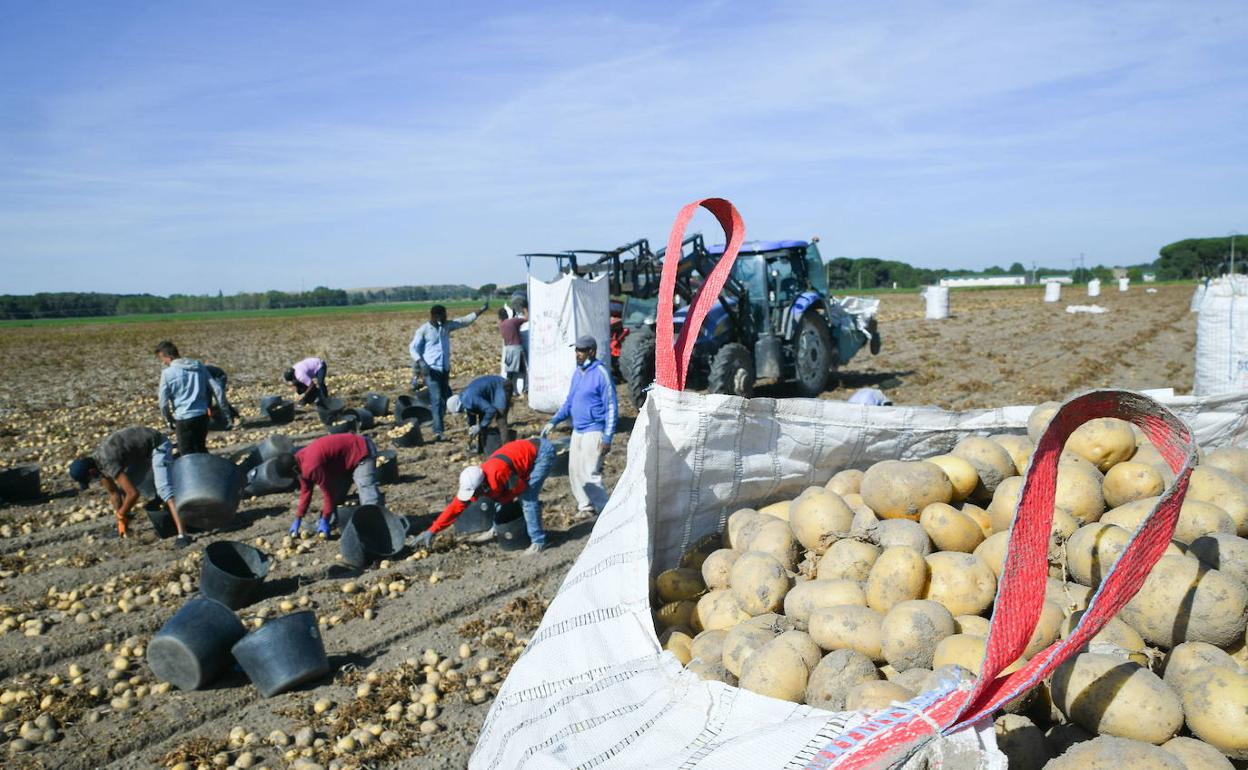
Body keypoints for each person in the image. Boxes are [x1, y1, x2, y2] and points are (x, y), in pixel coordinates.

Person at [412, 437, 556, 554]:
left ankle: (538, 541)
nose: (472, 497)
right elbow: (455, 508)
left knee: (528, 499)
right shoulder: (477, 480)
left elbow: (520, 487)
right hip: (522, 454)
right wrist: (432, 530)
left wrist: (501, 498)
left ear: (482, 485)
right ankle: (496, 529)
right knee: (498, 498)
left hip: (541, 453)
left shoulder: (499, 473)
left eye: (474, 493)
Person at [68, 426, 190, 546]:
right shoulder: (97, 465)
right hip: (141, 454)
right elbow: (113, 493)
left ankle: (183, 535)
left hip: (157, 444)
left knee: (165, 490)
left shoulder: (107, 462)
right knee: (124, 489)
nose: (93, 481)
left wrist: (122, 513)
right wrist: (121, 522)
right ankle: (125, 530)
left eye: (89, 480)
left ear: (91, 472)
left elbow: (133, 494)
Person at [542, 334, 617, 517]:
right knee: (575, 471)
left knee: (590, 472)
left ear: (591, 351)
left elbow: (611, 406)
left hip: (594, 430)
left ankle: (605, 512)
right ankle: (585, 507)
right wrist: (554, 421)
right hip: (578, 430)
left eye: (581, 351)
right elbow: (570, 402)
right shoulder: (578, 373)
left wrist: (607, 437)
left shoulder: (601, 373)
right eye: (576, 350)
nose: (577, 354)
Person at [274, 433, 381, 539]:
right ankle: (329, 522)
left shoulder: (312, 466)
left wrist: (325, 518)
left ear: (294, 470)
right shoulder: (299, 461)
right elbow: (306, 491)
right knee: (337, 496)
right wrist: (298, 517)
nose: (294, 478)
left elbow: (329, 493)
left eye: (292, 476)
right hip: (345, 459)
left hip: (362, 450)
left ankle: (375, 527)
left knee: (367, 491)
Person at [409, 301, 488, 441]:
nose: (445, 318)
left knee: (445, 398)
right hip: (431, 370)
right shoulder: (423, 330)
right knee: (437, 400)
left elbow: (464, 321)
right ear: (435, 316)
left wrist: (480, 310)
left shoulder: (446, 326)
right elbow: (413, 348)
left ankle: (440, 422)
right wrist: (421, 363)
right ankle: (438, 431)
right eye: (442, 316)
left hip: (444, 369)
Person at [155, 340, 212, 455]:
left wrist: (169, 419)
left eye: (162, 359)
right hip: (202, 415)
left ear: (168, 357)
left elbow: (163, 403)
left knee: (186, 452)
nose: (163, 362)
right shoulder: (198, 366)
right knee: (201, 448)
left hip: (183, 418)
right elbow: (215, 388)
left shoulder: (167, 373)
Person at [447, 374, 511, 454]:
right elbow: (471, 415)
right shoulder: (465, 400)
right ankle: (482, 449)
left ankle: (508, 451)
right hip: (492, 390)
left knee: (501, 419)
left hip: (502, 386)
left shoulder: (470, 398)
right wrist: (472, 429)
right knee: (483, 421)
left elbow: (491, 410)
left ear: (459, 407)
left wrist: (480, 426)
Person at [498, 307, 527, 396]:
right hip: (516, 349)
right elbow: (526, 319)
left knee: (510, 373)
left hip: (508, 350)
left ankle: (510, 391)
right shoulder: (513, 321)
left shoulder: (502, 325)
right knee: (523, 371)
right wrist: (526, 309)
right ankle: (525, 389)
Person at [204, 364, 238, 430]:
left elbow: (219, 394)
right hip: (210, 378)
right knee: (207, 400)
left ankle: (232, 418)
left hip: (219, 376)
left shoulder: (199, 373)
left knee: (219, 400)